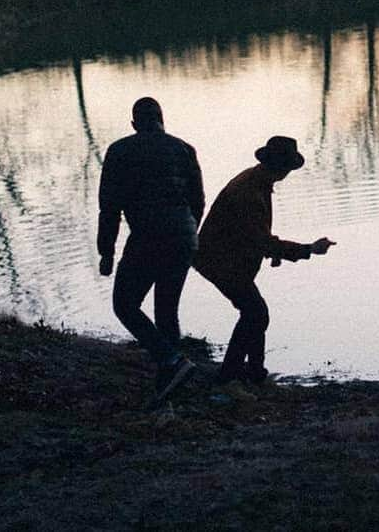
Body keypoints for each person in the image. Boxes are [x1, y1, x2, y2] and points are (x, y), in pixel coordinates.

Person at [193, 136, 336, 385]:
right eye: (288, 168)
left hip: (228, 257)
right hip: (218, 259)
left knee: (254, 312)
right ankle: (229, 376)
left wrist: (270, 251)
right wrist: (308, 249)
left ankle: (255, 372)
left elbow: (253, 234)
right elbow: (259, 238)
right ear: (282, 168)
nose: (289, 173)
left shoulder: (258, 181)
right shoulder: (250, 192)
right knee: (256, 313)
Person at [97, 96, 205, 405]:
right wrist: (189, 232)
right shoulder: (184, 148)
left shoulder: (119, 151)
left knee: (124, 304)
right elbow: (198, 200)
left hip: (147, 236)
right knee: (167, 309)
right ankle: (170, 381)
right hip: (183, 235)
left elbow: (109, 208)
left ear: (134, 124)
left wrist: (107, 251)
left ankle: (171, 362)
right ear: (162, 120)